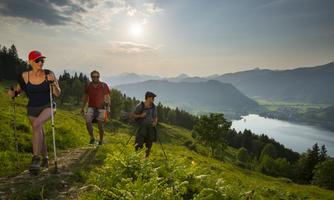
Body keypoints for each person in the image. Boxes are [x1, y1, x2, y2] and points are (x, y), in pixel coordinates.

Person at [8, 50, 61, 173]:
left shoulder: (48, 74)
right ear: (30, 61)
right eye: (38, 60)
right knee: (38, 130)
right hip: (32, 108)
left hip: (48, 106)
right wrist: (13, 93)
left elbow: (57, 93)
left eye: (42, 60)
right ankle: (45, 158)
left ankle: (36, 159)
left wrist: (52, 82)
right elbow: (18, 91)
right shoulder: (24, 76)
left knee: (37, 125)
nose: (41, 62)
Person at [81, 70, 110, 145]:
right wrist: (82, 108)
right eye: (94, 77)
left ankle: (101, 140)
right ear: (91, 77)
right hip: (91, 107)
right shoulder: (88, 86)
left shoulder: (104, 85)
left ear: (99, 77)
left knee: (100, 124)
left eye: (97, 76)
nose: (95, 78)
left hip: (102, 108)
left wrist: (108, 107)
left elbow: (107, 97)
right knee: (88, 121)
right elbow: (86, 97)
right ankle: (92, 138)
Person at [132, 91, 158, 158]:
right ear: (148, 98)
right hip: (141, 127)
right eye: (152, 98)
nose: (153, 99)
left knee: (149, 144)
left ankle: (146, 159)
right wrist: (140, 116)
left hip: (150, 127)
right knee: (139, 143)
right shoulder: (140, 105)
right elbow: (133, 115)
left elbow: (155, 117)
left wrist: (155, 122)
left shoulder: (154, 107)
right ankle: (136, 158)